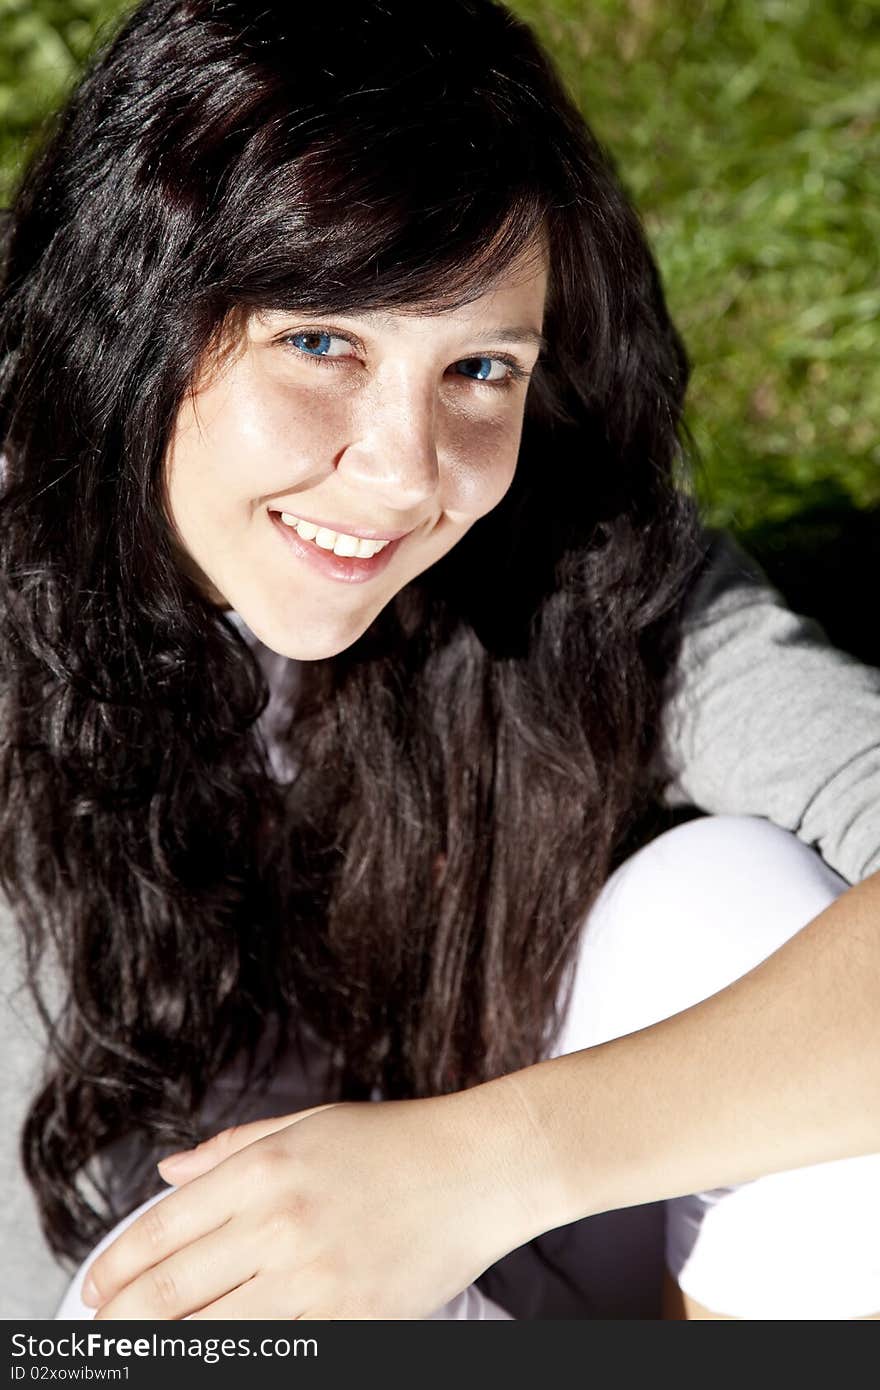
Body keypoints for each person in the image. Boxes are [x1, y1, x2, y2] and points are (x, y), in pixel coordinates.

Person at [0, 0, 878, 1321]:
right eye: (320, 343)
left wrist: (473, 1170)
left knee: (730, 903)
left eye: (478, 366)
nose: (409, 471)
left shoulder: (569, 556)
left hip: (507, 1245)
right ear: (134, 316)